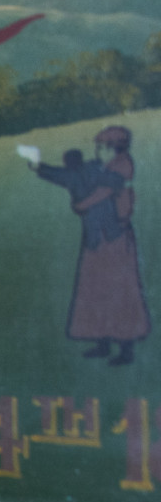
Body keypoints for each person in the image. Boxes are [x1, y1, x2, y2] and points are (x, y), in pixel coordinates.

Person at [27, 126, 151, 365]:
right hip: (99, 236)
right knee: (95, 288)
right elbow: (73, 177)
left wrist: (80, 205)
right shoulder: (101, 167)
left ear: (114, 145)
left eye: (102, 146)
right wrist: (41, 168)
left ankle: (125, 347)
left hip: (113, 236)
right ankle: (103, 342)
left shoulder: (118, 165)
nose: (98, 151)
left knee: (118, 289)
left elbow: (104, 190)